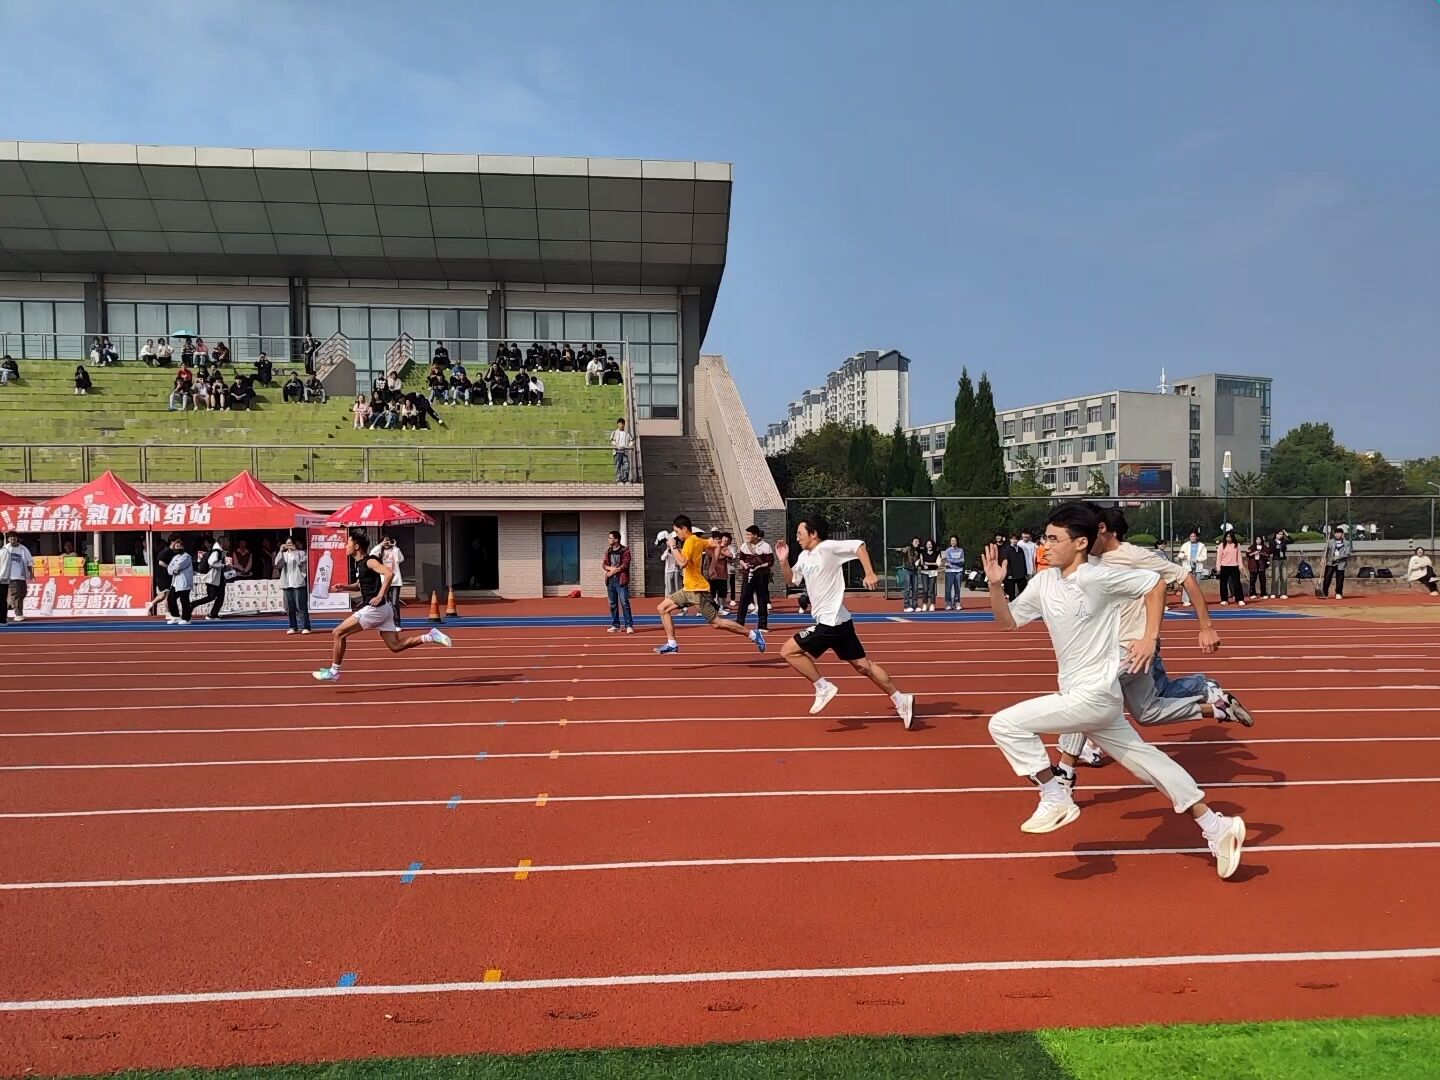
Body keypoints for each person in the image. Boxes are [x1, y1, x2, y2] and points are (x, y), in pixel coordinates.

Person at [982, 502, 1247, 879]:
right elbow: (1007, 623)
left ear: (1080, 543)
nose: (1045, 546)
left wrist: (1149, 638)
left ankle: (1056, 794)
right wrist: (995, 586)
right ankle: (1217, 826)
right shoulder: (1043, 583)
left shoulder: (1097, 577)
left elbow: (1155, 584)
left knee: (1004, 724)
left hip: (1092, 695)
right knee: (1148, 762)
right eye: (1044, 538)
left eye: (1054, 539)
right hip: (1089, 698)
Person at [1054, 505, 1255, 780]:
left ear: (1102, 529)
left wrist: (1206, 627)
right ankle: (1217, 708)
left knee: (1089, 692)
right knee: (1147, 712)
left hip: (1132, 647)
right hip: (1104, 649)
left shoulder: (1134, 556)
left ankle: (1064, 772)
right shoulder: (1088, 560)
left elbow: (1185, 577)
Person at [773, 514, 916, 725]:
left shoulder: (828, 548)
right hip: (840, 621)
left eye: (800, 533)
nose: (797, 538)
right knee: (863, 666)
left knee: (788, 651)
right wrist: (783, 561)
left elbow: (859, 546)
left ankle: (823, 686)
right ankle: (901, 699)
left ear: (813, 534)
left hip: (831, 621)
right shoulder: (804, 556)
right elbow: (792, 580)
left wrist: (869, 573)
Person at [313, 528, 451, 681]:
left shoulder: (369, 561)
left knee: (338, 633)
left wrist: (380, 595)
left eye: (348, 543)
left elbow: (389, 573)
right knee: (396, 646)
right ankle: (430, 636)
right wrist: (344, 587)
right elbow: (360, 585)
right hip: (385, 609)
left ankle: (334, 672)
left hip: (374, 609)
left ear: (356, 546)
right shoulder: (360, 564)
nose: (345, 546)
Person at [654, 515, 766, 656]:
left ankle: (753, 634)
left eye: (677, 531)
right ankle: (672, 644)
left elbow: (682, 563)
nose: (676, 535)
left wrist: (673, 546)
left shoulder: (690, 542)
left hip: (697, 590)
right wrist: (712, 566)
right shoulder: (698, 540)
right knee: (662, 608)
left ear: (684, 529)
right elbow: (717, 545)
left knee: (716, 623)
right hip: (688, 589)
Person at [735, 525, 774, 631]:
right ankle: (739, 623)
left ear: (755, 535)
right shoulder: (744, 546)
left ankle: (762, 625)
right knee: (744, 598)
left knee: (762, 600)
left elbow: (770, 562)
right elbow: (741, 559)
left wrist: (759, 566)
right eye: (747, 534)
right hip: (748, 576)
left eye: (749, 534)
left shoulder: (765, 546)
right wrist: (745, 565)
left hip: (761, 576)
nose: (747, 536)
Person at [602, 530, 635, 633]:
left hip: (621, 580)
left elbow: (625, 564)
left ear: (616, 539)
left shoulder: (625, 550)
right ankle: (615, 625)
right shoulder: (608, 551)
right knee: (613, 604)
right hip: (610, 581)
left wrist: (613, 571)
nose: (608, 540)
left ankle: (629, 625)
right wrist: (610, 569)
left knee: (624, 603)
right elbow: (604, 564)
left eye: (610, 538)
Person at [277, 537, 311, 634]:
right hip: (287, 583)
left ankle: (305, 626)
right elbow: (277, 564)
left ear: (294, 544)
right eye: (287, 543)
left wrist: (295, 552)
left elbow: (301, 562)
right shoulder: (284, 554)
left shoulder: (301, 553)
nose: (289, 545)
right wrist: (280, 551)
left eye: (290, 543)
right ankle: (293, 626)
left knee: (301, 606)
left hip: (298, 582)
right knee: (290, 607)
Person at [370, 533, 406, 626]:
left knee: (394, 603)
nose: (386, 543)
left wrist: (395, 547)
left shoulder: (395, 550)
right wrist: (380, 545)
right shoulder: (379, 551)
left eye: (388, 540)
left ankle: (397, 624)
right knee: (384, 604)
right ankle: (385, 622)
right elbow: (371, 554)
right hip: (384, 581)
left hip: (395, 581)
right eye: (384, 541)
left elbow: (401, 559)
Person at [0, 532, 35, 625]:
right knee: (15, 595)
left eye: (14, 537)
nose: (13, 539)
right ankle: (18, 614)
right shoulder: (5, 549)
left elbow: (29, 562)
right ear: (8, 539)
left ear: (17, 538)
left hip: (21, 576)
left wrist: (31, 573)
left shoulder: (23, 549)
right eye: (10, 537)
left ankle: (6, 611)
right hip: (9, 576)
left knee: (22, 594)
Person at [163, 536, 195, 625]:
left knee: (184, 600)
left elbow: (179, 566)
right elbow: (169, 569)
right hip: (175, 582)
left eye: (179, 546)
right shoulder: (175, 557)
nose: (177, 548)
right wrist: (173, 570)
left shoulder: (186, 556)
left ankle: (187, 618)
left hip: (184, 582)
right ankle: (176, 616)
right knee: (170, 599)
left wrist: (174, 569)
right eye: (176, 546)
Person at [1178, 530, 1208, 606]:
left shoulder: (1202, 546)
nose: (1192, 538)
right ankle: (1186, 600)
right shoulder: (1185, 545)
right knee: (1187, 583)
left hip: (1197, 566)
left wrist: (1197, 560)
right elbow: (1181, 554)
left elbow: (1204, 557)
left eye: (1194, 536)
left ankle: (1196, 600)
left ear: (1197, 537)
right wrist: (1183, 556)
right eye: (1191, 536)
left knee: (1196, 585)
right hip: (1187, 566)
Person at [707, 530, 734, 613]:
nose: (718, 540)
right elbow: (710, 555)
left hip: (722, 575)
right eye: (716, 539)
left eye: (719, 538)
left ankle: (721, 608)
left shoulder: (724, 548)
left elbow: (730, 555)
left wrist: (721, 551)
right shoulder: (709, 548)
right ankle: (712, 608)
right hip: (712, 575)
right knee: (711, 593)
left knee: (722, 593)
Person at [1320, 526, 1351, 599]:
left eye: (1339, 533)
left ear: (1342, 534)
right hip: (1331, 562)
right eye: (1336, 533)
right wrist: (1323, 558)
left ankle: (1338, 593)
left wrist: (1338, 557)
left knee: (1340, 579)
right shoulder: (1330, 542)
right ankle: (1324, 593)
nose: (1337, 534)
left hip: (1341, 563)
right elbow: (1325, 551)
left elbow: (1347, 553)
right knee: (1327, 578)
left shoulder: (1347, 543)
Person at [1216, 530, 1244, 606]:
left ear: (1232, 537)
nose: (1228, 538)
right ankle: (1224, 599)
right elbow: (1219, 557)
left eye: (1230, 536)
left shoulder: (1237, 545)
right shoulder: (1221, 545)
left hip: (1234, 566)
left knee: (1236, 583)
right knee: (1223, 584)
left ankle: (1240, 599)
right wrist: (1218, 567)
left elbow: (1239, 557)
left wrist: (1240, 566)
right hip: (1224, 566)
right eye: (1227, 536)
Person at [203, 538, 228, 620]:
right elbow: (211, 562)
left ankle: (213, 614)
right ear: (222, 543)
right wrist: (223, 565)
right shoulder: (216, 551)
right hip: (213, 578)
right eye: (227, 541)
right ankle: (192, 604)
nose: (228, 543)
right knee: (211, 597)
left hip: (219, 578)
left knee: (220, 597)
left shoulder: (220, 551)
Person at [942, 535, 966, 611]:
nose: (953, 542)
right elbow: (948, 560)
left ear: (957, 541)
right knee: (948, 589)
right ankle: (948, 604)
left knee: (957, 588)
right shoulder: (948, 550)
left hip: (958, 571)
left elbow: (962, 561)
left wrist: (953, 562)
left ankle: (957, 603)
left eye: (954, 541)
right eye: (951, 541)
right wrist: (956, 561)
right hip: (949, 571)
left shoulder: (961, 550)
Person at [1246, 536, 1272, 600]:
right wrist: (1254, 553)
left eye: (1259, 539)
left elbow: (1268, 554)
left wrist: (1262, 554)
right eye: (1257, 539)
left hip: (1261, 565)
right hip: (1253, 565)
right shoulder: (1251, 547)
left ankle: (1263, 593)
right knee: (1252, 580)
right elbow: (1248, 554)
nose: (1258, 540)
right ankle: (1252, 593)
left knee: (1263, 580)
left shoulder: (1264, 547)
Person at [900, 537, 922, 612]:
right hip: (907, 570)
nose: (917, 543)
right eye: (916, 541)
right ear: (912, 542)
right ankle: (906, 606)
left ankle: (915, 605)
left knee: (915, 589)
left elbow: (919, 561)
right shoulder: (908, 548)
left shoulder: (918, 551)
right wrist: (902, 551)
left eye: (918, 541)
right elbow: (901, 554)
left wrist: (918, 563)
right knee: (907, 589)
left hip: (915, 571)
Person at [610, 418, 633, 482]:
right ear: (617, 424)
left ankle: (625, 479)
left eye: (622, 424)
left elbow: (631, 440)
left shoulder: (627, 433)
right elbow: (611, 440)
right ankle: (619, 479)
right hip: (617, 452)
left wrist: (629, 445)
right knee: (618, 466)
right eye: (620, 423)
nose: (621, 425)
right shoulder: (615, 432)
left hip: (624, 452)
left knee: (626, 465)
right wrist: (616, 445)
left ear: (624, 424)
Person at [1270, 529, 1290, 599]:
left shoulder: (1283, 541)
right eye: (1279, 534)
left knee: (1284, 577)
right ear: (1276, 535)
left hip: (1283, 559)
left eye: (1282, 534)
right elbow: (1270, 550)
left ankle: (1283, 593)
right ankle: (1273, 593)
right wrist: (1276, 547)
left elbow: (1292, 541)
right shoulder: (1272, 542)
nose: (1280, 535)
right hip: (1276, 559)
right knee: (1275, 577)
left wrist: (1286, 533)